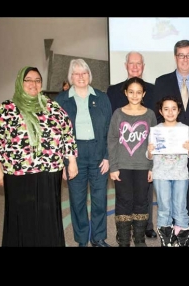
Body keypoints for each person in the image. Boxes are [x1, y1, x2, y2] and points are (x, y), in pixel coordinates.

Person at [0, 66, 78, 247]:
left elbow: (67, 133)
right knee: (21, 213)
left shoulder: (52, 107)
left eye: (37, 80)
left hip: (49, 170)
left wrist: (72, 161)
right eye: (28, 80)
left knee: (47, 213)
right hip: (18, 171)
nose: (33, 84)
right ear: (21, 82)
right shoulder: (7, 109)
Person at [153, 39, 189, 247]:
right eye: (181, 55)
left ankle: (188, 232)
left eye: (188, 55)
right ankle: (168, 232)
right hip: (168, 152)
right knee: (167, 195)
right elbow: (158, 116)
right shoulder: (161, 82)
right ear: (175, 57)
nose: (185, 59)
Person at [56, 58, 112, 247]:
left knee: (99, 200)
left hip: (98, 154)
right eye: (76, 73)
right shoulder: (61, 100)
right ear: (70, 77)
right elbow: (56, 135)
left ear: (89, 75)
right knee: (78, 200)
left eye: (84, 73)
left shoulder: (101, 97)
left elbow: (110, 130)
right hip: (74, 157)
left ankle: (98, 237)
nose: (81, 77)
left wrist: (107, 156)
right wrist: (63, 163)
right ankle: (81, 239)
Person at [107, 51, 157, 239]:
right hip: (123, 164)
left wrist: (153, 165)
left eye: (138, 92)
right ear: (125, 93)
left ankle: (139, 237)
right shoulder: (118, 113)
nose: (135, 95)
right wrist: (113, 165)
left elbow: (154, 139)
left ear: (143, 94)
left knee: (142, 200)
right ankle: (124, 238)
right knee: (124, 200)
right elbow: (112, 138)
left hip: (143, 165)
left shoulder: (150, 113)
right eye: (131, 92)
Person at [147, 96, 189, 247]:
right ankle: (166, 242)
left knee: (180, 208)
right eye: (166, 109)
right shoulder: (156, 131)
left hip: (181, 175)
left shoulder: (185, 129)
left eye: (174, 109)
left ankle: (181, 242)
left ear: (178, 110)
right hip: (161, 175)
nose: (170, 112)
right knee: (164, 209)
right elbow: (148, 156)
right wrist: (149, 151)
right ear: (161, 111)